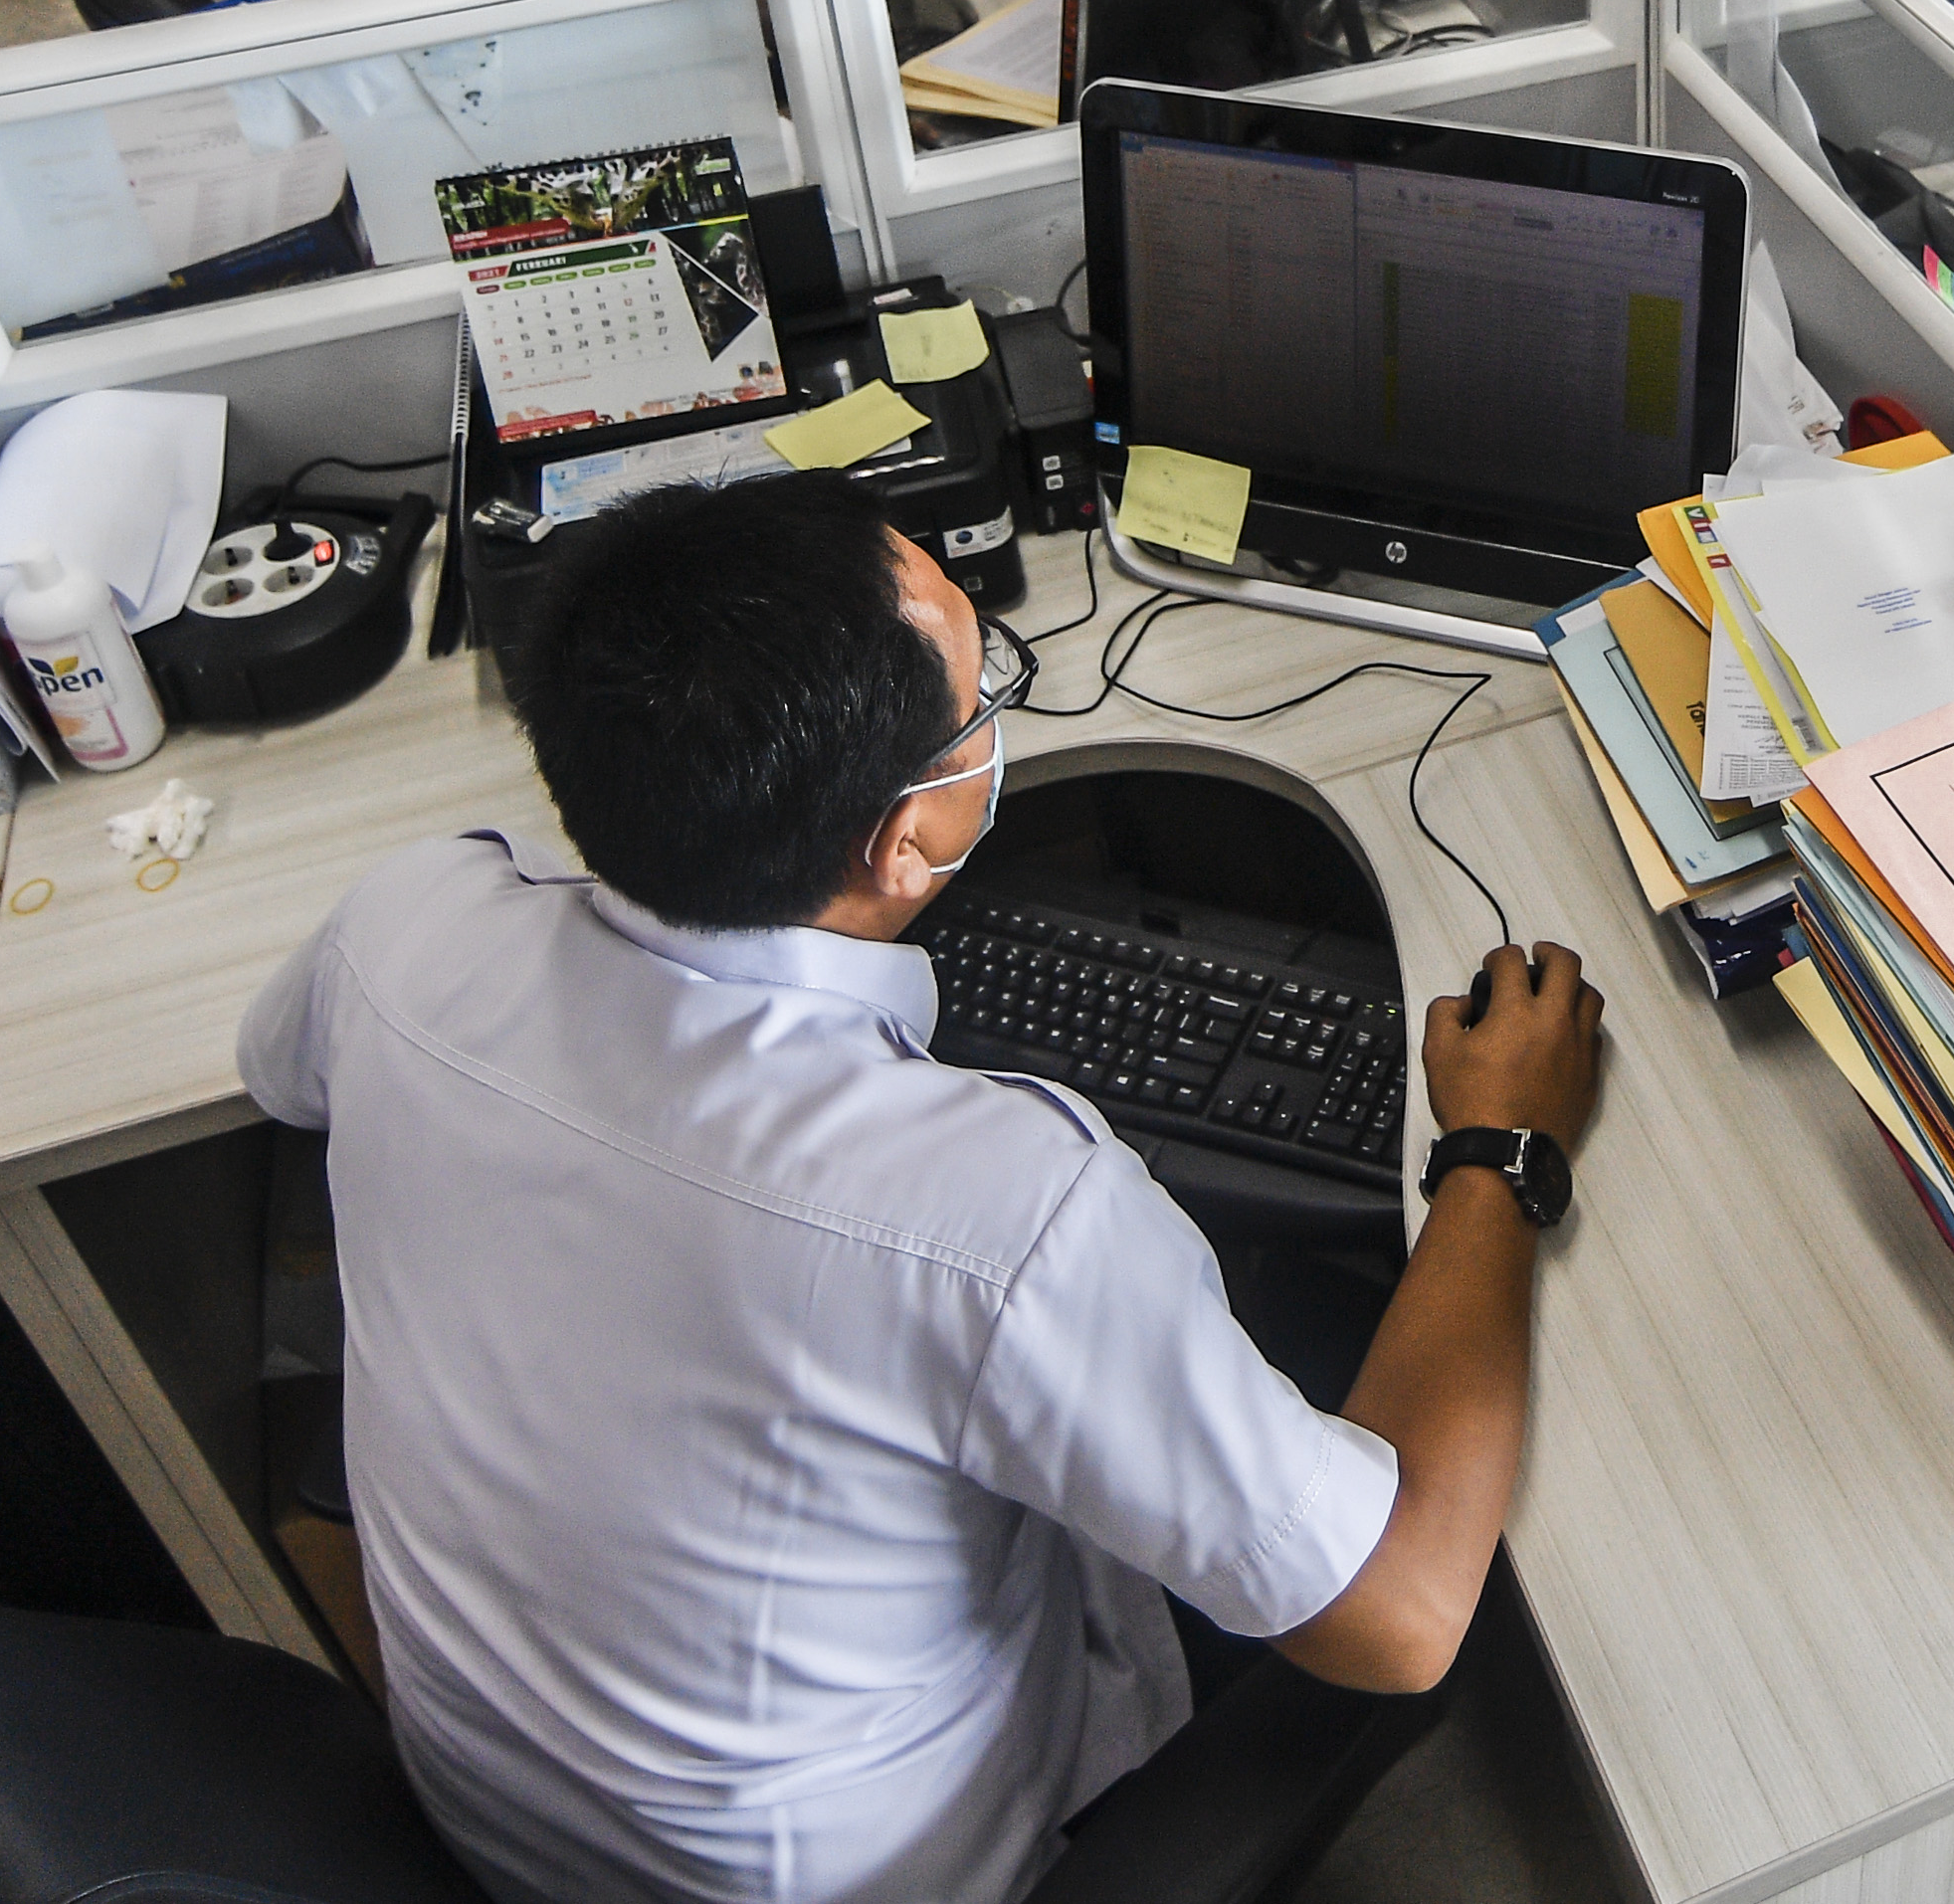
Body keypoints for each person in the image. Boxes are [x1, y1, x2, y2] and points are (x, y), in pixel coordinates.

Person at [236, 473, 1605, 1901]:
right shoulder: (1001, 1216)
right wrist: (1496, 1145)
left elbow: (282, 1075)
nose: (1001, 707)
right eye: (984, 683)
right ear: (906, 839)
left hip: (507, 1821)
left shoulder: (404, 923)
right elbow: (1402, 1614)